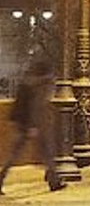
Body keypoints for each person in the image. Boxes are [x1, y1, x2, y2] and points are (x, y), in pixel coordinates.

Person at [0, 56, 63, 194]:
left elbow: (21, 104)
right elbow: (35, 107)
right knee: (45, 152)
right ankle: (54, 180)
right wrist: (33, 126)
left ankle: (54, 179)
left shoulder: (27, 83)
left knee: (17, 154)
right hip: (32, 124)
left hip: (23, 122)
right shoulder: (38, 86)